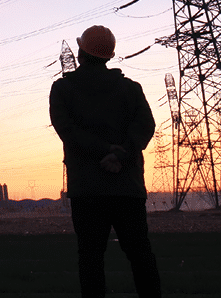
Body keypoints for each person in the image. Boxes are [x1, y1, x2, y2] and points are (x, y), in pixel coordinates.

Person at [49, 25, 161, 298]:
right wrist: (119, 154)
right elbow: (145, 126)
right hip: (127, 186)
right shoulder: (131, 89)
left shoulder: (63, 89)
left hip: (87, 189)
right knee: (140, 254)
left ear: (80, 53)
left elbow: (68, 131)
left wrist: (102, 151)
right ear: (110, 55)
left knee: (90, 257)